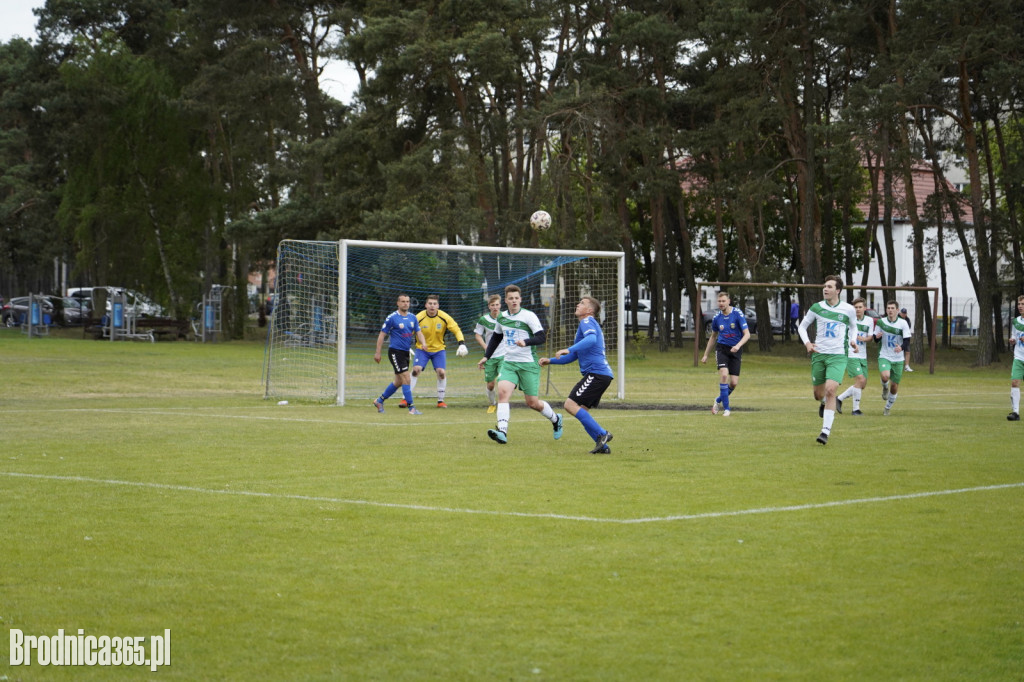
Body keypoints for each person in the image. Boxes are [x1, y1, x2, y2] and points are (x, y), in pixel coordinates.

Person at [477, 284, 563, 444]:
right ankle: (502, 431)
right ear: (506, 301)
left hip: (528, 364)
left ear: (520, 299)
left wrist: (526, 341)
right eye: (511, 298)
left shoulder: (528, 316)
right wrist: (486, 356)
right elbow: (496, 338)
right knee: (502, 393)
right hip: (509, 363)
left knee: (532, 403)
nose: (514, 301)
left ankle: (556, 419)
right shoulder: (502, 317)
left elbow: (541, 337)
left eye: (516, 298)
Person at [539, 296, 615, 454]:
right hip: (602, 375)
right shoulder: (586, 325)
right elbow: (573, 356)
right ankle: (603, 447)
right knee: (581, 410)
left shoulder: (587, 321)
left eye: (582, 303)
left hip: (596, 374)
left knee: (569, 405)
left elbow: (591, 339)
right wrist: (551, 361)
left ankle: (603, 434)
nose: (578, 304)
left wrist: (569, 348)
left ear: (589, 311)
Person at [797, 275, 859, 445]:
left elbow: (854, 327)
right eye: (825, 286)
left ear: (838, 290)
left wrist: (854, 340)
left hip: (838, 356)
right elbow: (802, 326)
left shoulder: (848, 309)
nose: (825, 289)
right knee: (819, 394)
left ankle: (825, 432)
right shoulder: (817, 307)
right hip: (819, 354)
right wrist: (808, 343)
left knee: (831, 390)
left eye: (830, 287)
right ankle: (823, 402)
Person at [403, 294, 468, 408]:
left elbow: (456, 329)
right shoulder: (418, 317)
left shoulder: (444, 317)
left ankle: (440, 401)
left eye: (434, 304)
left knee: (441, 373)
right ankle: (405, 399)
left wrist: (461, 343)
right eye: (430, 304)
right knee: (415, 370)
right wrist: (406, 346)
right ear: (425, 305)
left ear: (438, 305)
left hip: (439, 350)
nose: (432, 306)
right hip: (422, 349)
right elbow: (408, 331)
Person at [373, 293, 428, 415]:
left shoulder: (412, 317)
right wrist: (378, 352)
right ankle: (412, 408)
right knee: (406, 378)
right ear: (398, 303)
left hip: (405, 352)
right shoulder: (392, 318)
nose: (405, 303)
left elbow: (418, 332)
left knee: (398, 381)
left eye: (407, 301)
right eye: (403, 301)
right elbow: (382, 335)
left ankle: (379, 400)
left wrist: (423, 343)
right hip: (395, 352)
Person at [700, 291, 750, 417]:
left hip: (736, 350)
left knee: (733, 383)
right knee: (723, 375)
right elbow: (713, 337)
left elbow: (747, 334)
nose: (721, 303)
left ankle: (718, 400)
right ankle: (727, 409)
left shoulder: (737, 314)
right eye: (719, 301)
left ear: (729, 301)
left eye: (723, 301)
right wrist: (705, 355)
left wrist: (738, 345)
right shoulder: (717, 318)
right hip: (722, 349)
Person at [836, 298, 875, 416]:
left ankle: (839, 398)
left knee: (862, 385)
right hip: (851, 353)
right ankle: (855, 410)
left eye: (860, 307)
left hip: (863, 355)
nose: (857, 309)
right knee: (860, 380)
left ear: (864, 308)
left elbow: (870, 337)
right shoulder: (849, 320)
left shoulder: (869, 320)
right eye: (855, 307)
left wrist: (864, 339)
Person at [874, 300, 912, 416]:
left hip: (898, 358)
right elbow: (875, 339)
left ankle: (887, 407)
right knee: (885, 376)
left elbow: (907, 341)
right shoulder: (881, 322)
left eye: (892, 308)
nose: (890, 310)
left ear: (897, 310)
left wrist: (901, 347)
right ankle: (885, 387)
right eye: (888, 308)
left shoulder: (903, 323)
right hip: (884, 355)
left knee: (894, 386)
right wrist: (878, 337)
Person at [474, 294, 506, 413]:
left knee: (503, 381)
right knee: (491, 384)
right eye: (493, 305)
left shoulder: (505, 317)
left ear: (500, 305)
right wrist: (486, 347)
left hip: (504, 355)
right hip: (490, 356)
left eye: (497, 305)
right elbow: (477, 334)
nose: (495, 307)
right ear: (489, 306)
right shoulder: (484, 319)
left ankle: (503, 405)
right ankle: (492, 404)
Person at [1007, 294, 1024, 421]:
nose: (1020, 306)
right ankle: (1015, 413)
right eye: (1019, 304)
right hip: (1018, 357)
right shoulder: (1015, 321)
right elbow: (1014, 335)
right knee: (1014, 383)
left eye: (1023, 304)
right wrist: (1012, 340)